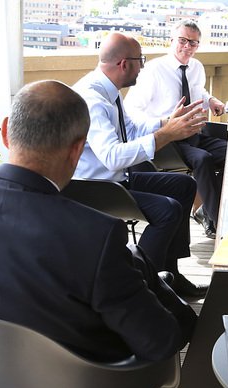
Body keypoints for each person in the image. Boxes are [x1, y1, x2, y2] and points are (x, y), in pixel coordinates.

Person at [0, 80, 197, 388]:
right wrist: (151, 276)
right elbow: (160, 342)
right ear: (78, 150)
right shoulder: (95, 234)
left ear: (4, 132)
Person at [73, 31, 208, 297]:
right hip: (96, 187)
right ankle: (140, 285)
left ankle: (172, 274)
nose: (143, 65)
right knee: (166, 210)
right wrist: (166, 135)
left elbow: (131, 128)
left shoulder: (108, 89)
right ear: (124, 64)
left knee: (184, 186)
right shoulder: (93, 99)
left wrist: (167, 122)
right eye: (140, 60)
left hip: (117, 178)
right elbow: (112, 156)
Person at [125, 19, 227, 239]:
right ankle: (220, 225)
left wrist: (211, 100)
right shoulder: (154, 70)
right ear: (171, 40)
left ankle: (206, 211)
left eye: (193, 43)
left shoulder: (197, 67)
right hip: (168, 140)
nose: (187, 47)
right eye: (182, 40)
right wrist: (165, 122)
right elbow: (131, 110)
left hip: (195, 134)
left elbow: (198, 91)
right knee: (203, 159)